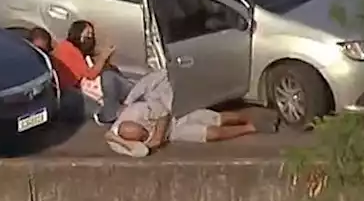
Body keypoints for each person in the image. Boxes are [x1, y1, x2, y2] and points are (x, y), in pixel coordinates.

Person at [105, 69, 278, 157]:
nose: (145, 135)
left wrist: (156, 136)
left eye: (142, 131)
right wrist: (116, 138)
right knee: (212, 134)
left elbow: (163, 113)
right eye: (142, 137)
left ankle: (251, 116)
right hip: (174, 133)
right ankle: (252, 127)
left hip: (174, 116)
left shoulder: (136, 111)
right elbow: (140, 152)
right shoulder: (118, 142)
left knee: (218, 118)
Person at [51, 20, 133, 124]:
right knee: (109, 78)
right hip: (72, 92)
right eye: (87, 33)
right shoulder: (69, 49)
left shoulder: (67, 48)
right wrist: (103, 57)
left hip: (73, 89)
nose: (90, 37)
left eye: (91, 34)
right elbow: (90, 74)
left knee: (111, 77)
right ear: (78, 32)